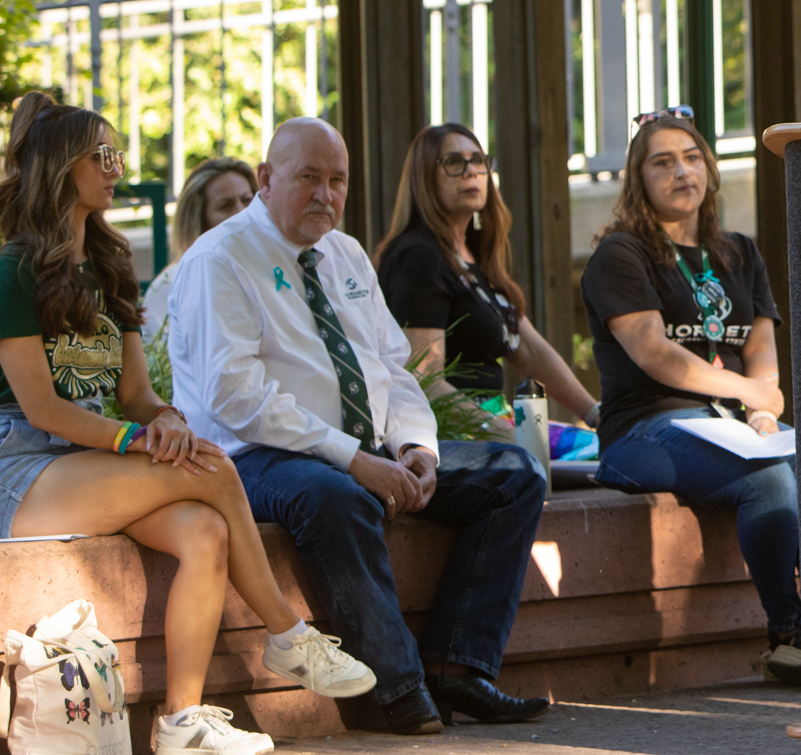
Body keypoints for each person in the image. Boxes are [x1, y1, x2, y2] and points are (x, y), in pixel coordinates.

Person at [0, 94, 374, 755]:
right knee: (215, 468)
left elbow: (138, 392)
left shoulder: (112, 263)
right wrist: (134, 439)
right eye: (104, 156)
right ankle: (289, 635)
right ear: (64, 167)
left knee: (204, 531)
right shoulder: (14, 271)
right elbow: (42, 410)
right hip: (21, 464)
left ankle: (183, 721)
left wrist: (165, 421)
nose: (117, 168)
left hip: (85, 461)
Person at [166, 117, 551, 735]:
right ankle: (393, 692)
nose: (326, 194)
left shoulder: (344, 254)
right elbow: (235, 396)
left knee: (513, 473)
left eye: (337, 180)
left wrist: (415, 447)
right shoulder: (221, 258)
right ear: (266, 179)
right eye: (308, 178)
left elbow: (393, 368)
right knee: (337, 495)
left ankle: (458, 666)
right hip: (256, 458)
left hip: (364, 448)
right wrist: (354, 458)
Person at [580, 109, 801, 686]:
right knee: (769, 480)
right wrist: (750, 392)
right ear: (639, 180)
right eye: (663, 162)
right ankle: (790, 636)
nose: (682, 171)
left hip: (728, 423)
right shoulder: (621, 254)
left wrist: (760, 409)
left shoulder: (740, 252)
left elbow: (761, 351)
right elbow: (656, 354)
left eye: (692, 157)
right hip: (643, 430)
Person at [373, 123, 599, 435]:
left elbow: (531, 351)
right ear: (424, 177)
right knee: (585, 453)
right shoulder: (418, 256)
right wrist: (511, 437)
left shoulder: (475, 257)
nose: (471, 172)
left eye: (478, 160)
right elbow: (423, 379)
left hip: (494, 421)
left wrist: (596, 414)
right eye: (453, 162)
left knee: (597, 446)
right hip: (448, 433)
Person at [143, 156, 257, 330]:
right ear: (197, 220)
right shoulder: (170, 285)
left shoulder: (272, 269)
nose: (242, 213)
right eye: (225, 206)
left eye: (247, 200)